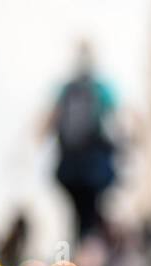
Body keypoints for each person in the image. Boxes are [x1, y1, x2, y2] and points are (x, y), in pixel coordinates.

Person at [43, 41, 118, 245]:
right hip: (95, 166)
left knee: (79, 213)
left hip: (70, 167)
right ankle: (90, 250)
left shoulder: (67, 89)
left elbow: (49, 120)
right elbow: (120, 117)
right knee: (91, 211)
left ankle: (82, 249)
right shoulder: (102, 89)